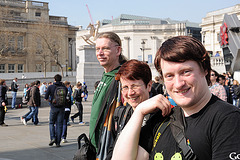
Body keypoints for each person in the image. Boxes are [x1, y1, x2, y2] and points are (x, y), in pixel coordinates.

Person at [112, 36, 240, 160]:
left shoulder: (228, 119)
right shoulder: (162, 119)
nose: (178, 84)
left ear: (205, 69)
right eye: (169, 76)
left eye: (186, 72)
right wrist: (139, 112)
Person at [106, 59, 157, 159]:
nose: (130, 93)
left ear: (149, 86)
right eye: (125, 87)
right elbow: (112, 148)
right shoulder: (119, 114)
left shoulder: (162, 117)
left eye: (135, 86)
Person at [89, 32, 127, 159]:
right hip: (98, 148)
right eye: (97, 49)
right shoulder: (106, 76)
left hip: (110, 149)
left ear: (118, 50)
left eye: (105, 48)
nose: (100, 53)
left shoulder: (123, 78)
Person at [45, 74, 67, 147]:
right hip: (62, 108)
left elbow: (46, 97)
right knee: (59, 125)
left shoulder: (51, 87)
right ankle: (58, 142)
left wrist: (51, 101)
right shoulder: (64, 87)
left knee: (51, 123)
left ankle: (53, 138)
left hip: (53, 107)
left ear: (54, 79)